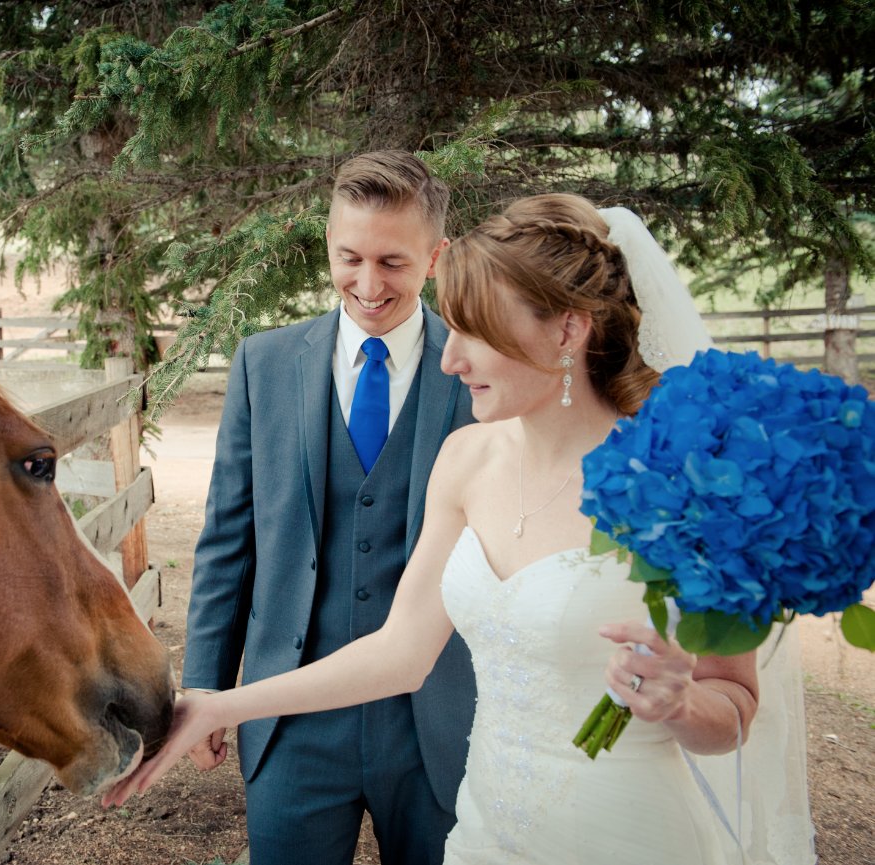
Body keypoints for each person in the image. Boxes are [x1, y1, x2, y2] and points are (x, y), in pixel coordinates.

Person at [111, 193, 797, 864]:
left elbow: (735, 704)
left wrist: (680, 704)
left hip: (625, 831)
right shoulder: (468, 458)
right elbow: (401, 651)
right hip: (485, 828)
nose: (450, 358)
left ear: (568, 330)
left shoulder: (691, 483)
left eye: (478, 331)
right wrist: (221, 705)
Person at [177, 150, 478, 865]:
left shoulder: (478, 370)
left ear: (436, 257)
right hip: (289, 718)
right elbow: (228, 542)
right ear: (328, 243)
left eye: (393, 263)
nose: (368, 285)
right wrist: (205, 681)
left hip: (438, 719)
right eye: (350, 258)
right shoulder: (263, 363)